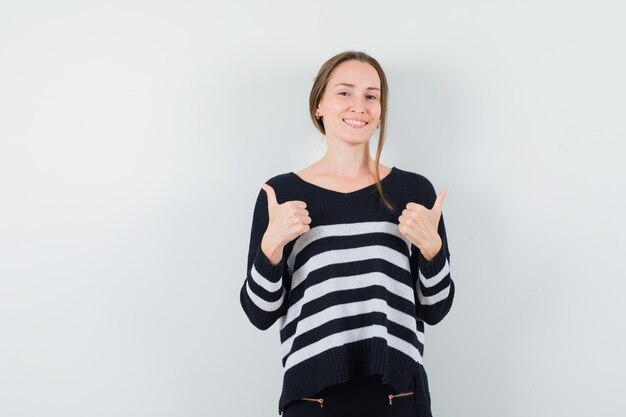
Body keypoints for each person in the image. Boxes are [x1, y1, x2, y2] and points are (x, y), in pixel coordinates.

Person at [239, 50, 454, 417]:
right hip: (312, 399)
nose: (359, 105)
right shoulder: (281, 196)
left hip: (398, 397)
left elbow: (436, 310)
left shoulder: (413, 192)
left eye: (371, 96)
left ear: (381, 111)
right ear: (319, 104)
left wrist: (433, 252)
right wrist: (271, 246)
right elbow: (260, 314)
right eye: (345, 92)